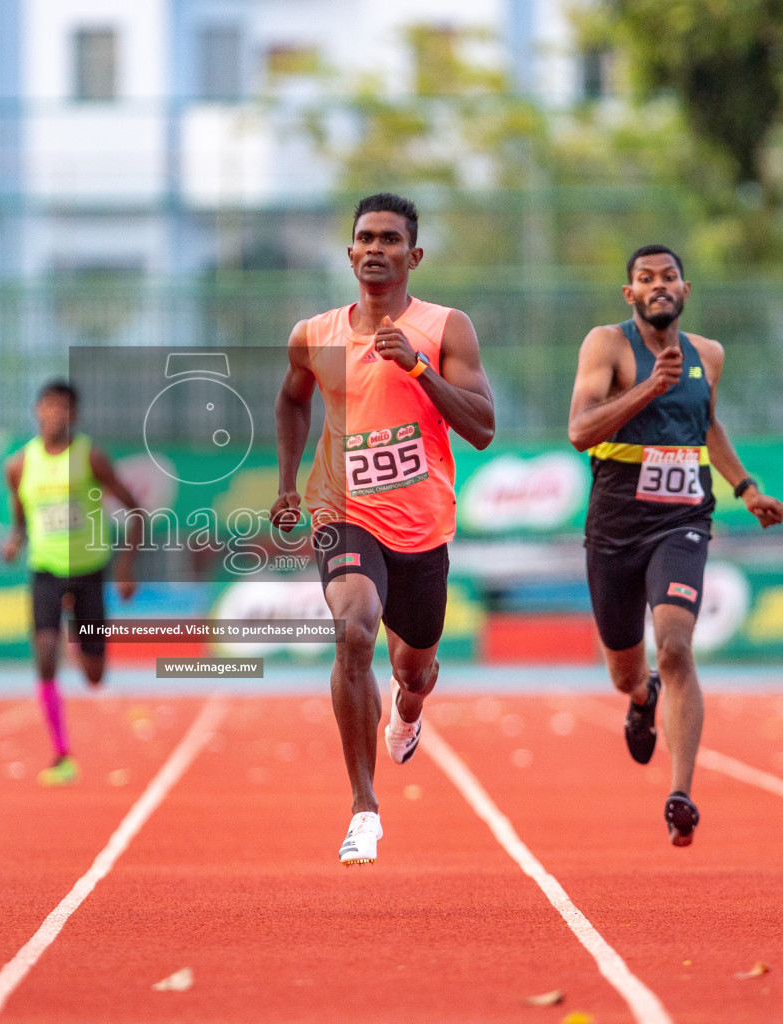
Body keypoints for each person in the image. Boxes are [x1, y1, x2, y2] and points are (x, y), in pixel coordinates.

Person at [272, 193, 496, 865]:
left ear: (413, 255)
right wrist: (288, 482)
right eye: (365, 238)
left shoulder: (444, 328)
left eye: (390, 239)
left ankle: (408, 707)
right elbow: (291, 399)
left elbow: (482, 429)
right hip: (344, 513)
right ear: (349, 254)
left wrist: (419, 368)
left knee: (415, 666)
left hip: (422, 526)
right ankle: (363, 807)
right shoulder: (316, 335)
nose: (376, 248)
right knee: (353, 628)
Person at [568, 245, 783, 846]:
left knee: (675, 648)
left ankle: (681, 793)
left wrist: (745, 488)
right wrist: (647, 388)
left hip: (682, 519)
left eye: (668, 277)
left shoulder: (709, 355)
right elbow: (580, 430)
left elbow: (707, 424)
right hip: (615, 521)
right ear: (630, 294)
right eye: (645, 278)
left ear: (685, 290)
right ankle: (641, 698)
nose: (657, 286)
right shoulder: (607, 346)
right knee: (625, 670)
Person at [3, 380, 141, 786]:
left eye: (64, 408)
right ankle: (61, 751)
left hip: (89, 571)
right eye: (48, 406)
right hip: (45, 569)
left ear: (75, 415)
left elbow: (136, 511)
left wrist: (125, 567)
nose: (55, 415)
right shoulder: (18, 465)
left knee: (94, 674)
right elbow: (20, 513)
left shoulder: (91, 458)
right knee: (45, 654)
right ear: (36, 411)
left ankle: (80, 637)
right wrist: (15, 539)